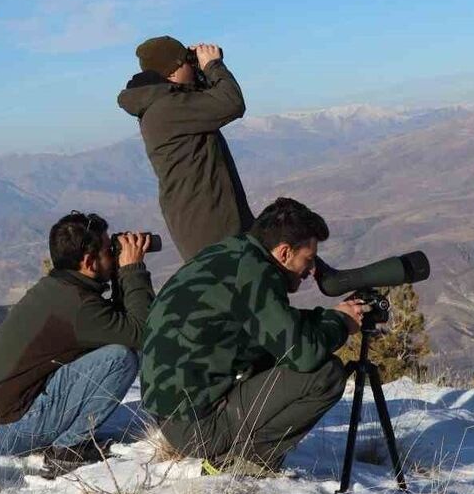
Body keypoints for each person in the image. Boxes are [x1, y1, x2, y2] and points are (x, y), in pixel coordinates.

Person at [140, 197, 369, 476]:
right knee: (326, 374)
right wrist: (340, 324)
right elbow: (303, 354)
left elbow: (273, 328)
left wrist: (325, 317)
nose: (311, 271)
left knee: (277, 356)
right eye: (308, 260)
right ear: (284, 252)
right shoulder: (255, 273)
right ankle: (242, 461)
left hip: (176, 415)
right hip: (198, 428)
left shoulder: (233, 254)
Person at [0, 211, 154, 478]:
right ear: (90, 262)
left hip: (6, 419)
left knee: (114, 349)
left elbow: (114, 324)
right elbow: (141, 333)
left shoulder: (61, 289)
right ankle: (70, 449)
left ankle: (66, 442)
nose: (115, 254)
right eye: (109, 250)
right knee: (121, 358)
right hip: (19, 428)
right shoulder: (78, 306)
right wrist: (133, 269)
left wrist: (118, 275)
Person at [118, 36, 254, 261]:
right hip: (209, 223)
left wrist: (200, 68)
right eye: (186, 62)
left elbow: (204, 97)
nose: (191, 66)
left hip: (210, 215)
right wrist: (213, 65)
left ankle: (321, 273)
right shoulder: (167, 108)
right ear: (172, 71)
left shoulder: (169, 103)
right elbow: (231, 103)